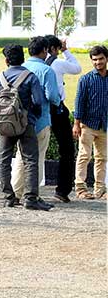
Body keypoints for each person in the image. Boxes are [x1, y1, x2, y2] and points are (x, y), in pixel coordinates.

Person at [0, 44, 53, 211]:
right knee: (30, 159)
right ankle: (30, 198)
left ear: (6, 60)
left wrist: (1, 116)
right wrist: (32, 117)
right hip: (25, 123)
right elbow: (38, 101)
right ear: (23, 59)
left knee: (4, 159)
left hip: (5, 125)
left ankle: (9, 197)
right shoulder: (30, 77)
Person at [12, 37, 61, 201]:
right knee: (37, 157)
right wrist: (58, 100)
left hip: (19, 120)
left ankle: (16, 192)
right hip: (41, 120)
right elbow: (52, 96)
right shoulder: (47, 70)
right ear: (45, 50)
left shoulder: (21, 68)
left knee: (20, 157)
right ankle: (32, 194)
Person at [44, 36, 82, 202]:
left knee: (33, 150)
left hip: (40, 109)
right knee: (66, 150)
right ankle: (62, 190)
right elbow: (77, 68)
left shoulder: (34, 65)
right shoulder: (58, 63)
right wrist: (66, 50)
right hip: (57, 109)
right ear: (54, 49)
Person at [73, 45, 108, 200]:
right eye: (94, 60)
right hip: (87, 124)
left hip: (104, 125)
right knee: (84, 156)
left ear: (106, 59)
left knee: (102, 158)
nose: (98, 62)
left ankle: (100, 189)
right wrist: (76, 124)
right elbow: (79, 102)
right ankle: (80, 188)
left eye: (101, 59)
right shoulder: (86, 79)